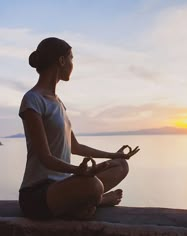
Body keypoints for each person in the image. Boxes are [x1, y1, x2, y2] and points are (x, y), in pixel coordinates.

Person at [18, 37, 140, 220]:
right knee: (93, 186)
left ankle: (85, 203)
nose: (72, 63)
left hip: (65, 184)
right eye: (71, 58)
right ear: (61, 61)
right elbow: (45, 158)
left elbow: (76, 147)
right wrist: (78, 171)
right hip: (38, 193)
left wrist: (114, 155)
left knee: (120, 166)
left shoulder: (59, 103)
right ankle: (96, 200)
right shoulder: (33, 100)